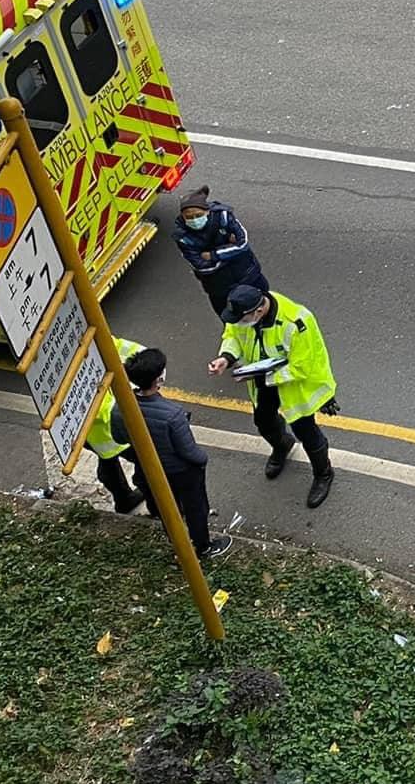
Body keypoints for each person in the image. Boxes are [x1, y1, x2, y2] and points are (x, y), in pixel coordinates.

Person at [207, 285, 338, 509]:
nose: (237, 323)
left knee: (307, 432)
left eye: (241, 319)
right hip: (262, 379)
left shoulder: (296, 321)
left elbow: (301, 367)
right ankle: (282, 445)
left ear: (258, 312)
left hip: (294, 386)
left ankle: (323, 473)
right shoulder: (242, 313)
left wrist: (260, 377)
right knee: (264, 421)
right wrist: (225, 358)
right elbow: (232, 335)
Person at [114, 347, 231, 561]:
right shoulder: (173, 415)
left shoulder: (120, 407)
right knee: (196, 508)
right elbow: (190, 452)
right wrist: (202, 460)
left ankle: (176, 540)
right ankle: (203, 546)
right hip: (182, 472)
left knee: (167, 509)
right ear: (159, 379)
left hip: (148, 469)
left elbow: (119, 438)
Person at [173, 188, 267, 319]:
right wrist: (232, 251)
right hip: (220, 289)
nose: (194, 220)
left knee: (265, 311)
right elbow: (202, 267)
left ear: (207, 211)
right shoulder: (183, 237)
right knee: (232, 322)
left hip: (249, 277)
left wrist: (213, 255)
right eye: (189, 217)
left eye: (198, 215)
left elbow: (243, 243)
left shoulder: (223, 216)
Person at [82, 334, 149, 514]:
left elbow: (117, 346)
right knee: (146, 459)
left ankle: (124, 498)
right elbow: (99, 408)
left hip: (97, 428)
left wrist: (148, 361)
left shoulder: (84, 333)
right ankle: (152, 501)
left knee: (108, 461)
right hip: (104, 428)